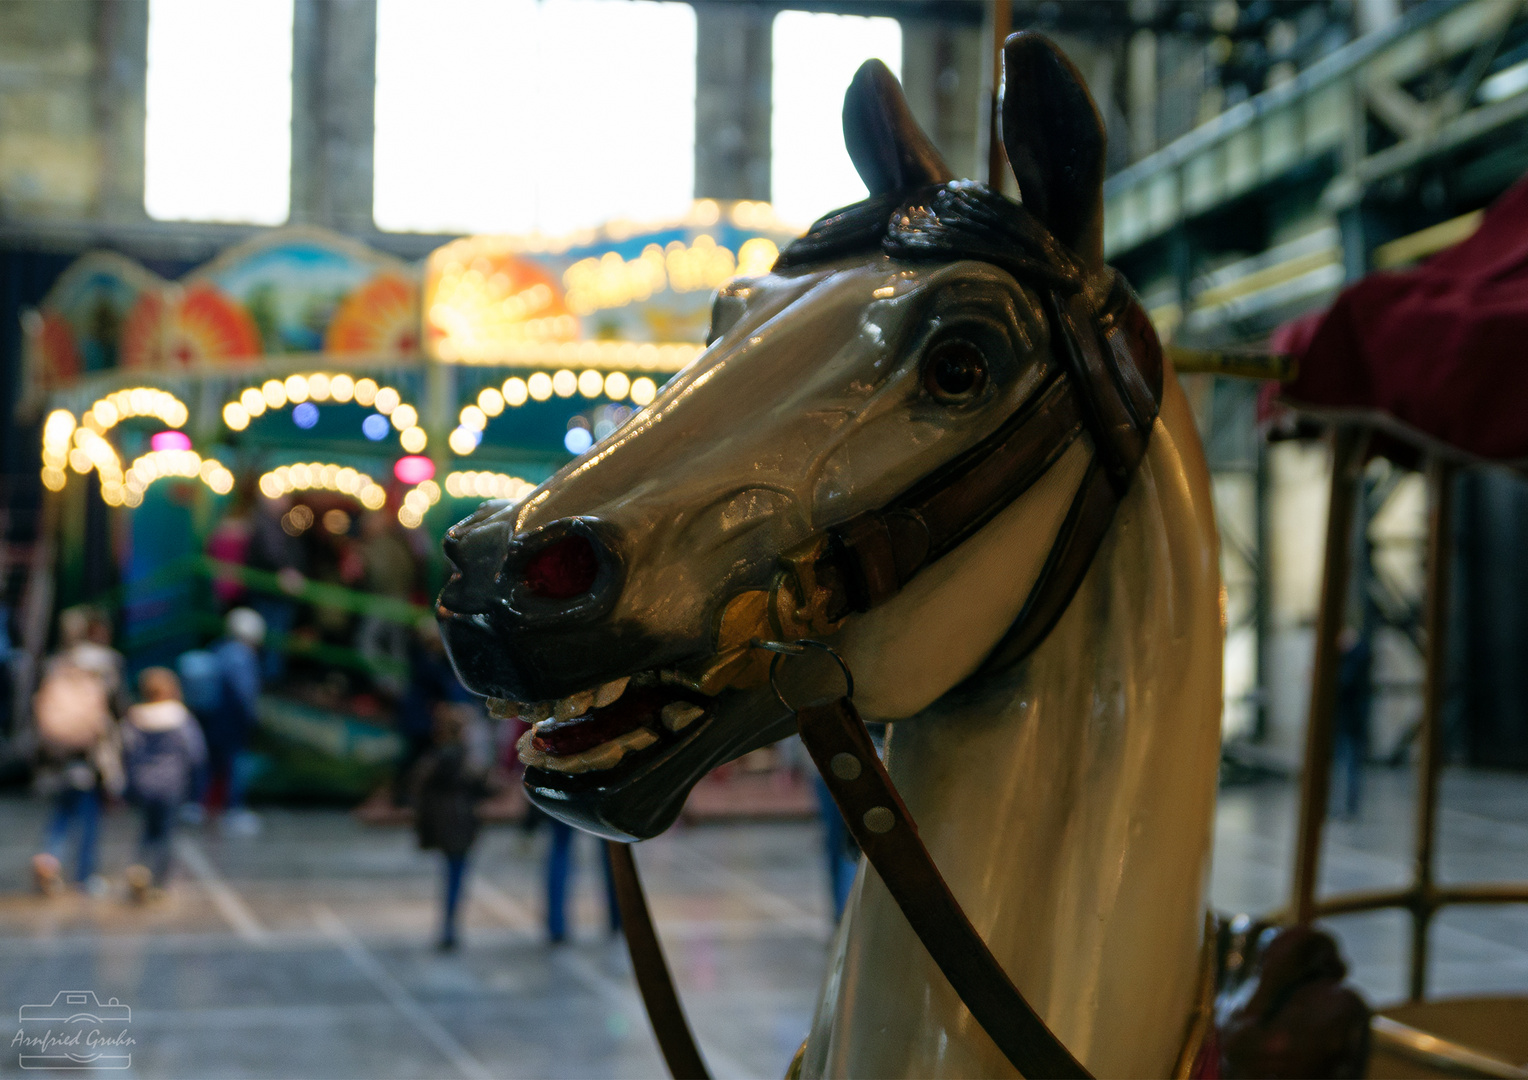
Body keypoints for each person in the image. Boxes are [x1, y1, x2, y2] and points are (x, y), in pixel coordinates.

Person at [30, 618, 124, 895]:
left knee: (62, 811)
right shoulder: (108, 665)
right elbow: (118, 708)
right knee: (89, 818)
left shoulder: (60, 662)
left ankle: (49, 859)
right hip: (91, 753)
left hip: (59, 752)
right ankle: (84, 876)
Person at [412, 704, 492, 951]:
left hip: (443, 826)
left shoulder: (434, 759)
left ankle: (448, 925)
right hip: (460, 825)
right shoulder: (465, 760)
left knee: (450, 876)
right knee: (456, 877)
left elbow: (418, 790)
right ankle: (449, 925)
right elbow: (483, 787)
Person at [121, 668, 206, 901]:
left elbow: (127, 749)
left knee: (147, 830)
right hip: (171, 783)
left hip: (143, 783)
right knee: (166, 833)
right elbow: (196, 753)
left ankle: (139, 867)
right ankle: (158, 883)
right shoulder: (180, 717)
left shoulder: (135, 716)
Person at [201, 608, 266, 835]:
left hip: (213, 718)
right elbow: (244, 692)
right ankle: (233, 809)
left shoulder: (218, 648)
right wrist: (253, 718)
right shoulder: (243, 656)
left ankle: (201, 805)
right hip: (233, 720)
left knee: (212, 764)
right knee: (236, 765)